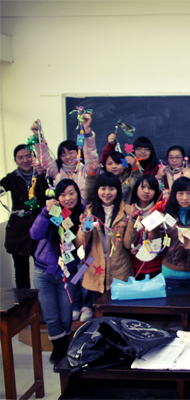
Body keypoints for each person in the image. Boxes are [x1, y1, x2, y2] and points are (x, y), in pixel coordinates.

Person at [29, 179, 83, 366]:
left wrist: (84, 227)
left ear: (78, 194)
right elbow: (34, 234)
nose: (68, 198)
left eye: (71, 193)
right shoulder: (53, 212)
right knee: (51, 316)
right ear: (57, 197)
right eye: (63, 194)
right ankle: (61, 355)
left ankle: (60, 350)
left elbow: (84, 246)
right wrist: (46, 212)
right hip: (44, 272)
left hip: (69, 273)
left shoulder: (83, 214)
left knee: (66, 316)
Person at [78, 172, 133, 319]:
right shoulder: (90, 210)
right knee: (101, 314)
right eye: (103, 188)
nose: (107, 193)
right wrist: (86, 228)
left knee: (119, 314)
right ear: (97, 190)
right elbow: (81, 243)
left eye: (111, 188)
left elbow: (128, 244)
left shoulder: (126, 211)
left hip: (119, 268)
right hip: (96, 268)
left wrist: (133, 221)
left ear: (118, 190)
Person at [1, 144, 48, 288]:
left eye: (28, 156)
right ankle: (24, 302)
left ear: (34, 157)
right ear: (15, 160)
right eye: (20, 157)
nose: (25, 160)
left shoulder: (42, 175)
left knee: (44, 271)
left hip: (39, 230)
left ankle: (43, 300)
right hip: (18, 233)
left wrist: (41, 176)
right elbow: (2, 186)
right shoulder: (12, 178)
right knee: (21, 273)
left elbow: (46, 197)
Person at [32, 114, 98, 204]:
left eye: (71, 153)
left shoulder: (86, 169)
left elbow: (90, 151)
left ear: (78, 152)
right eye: (63, 155)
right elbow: (45, 158)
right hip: (64, 211)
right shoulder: (57, 173)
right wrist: (38, 136)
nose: (68, 157)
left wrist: (87, 131)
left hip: (83, 210)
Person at [123, 175, 164, 279]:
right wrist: (131, 249)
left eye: (150, 188)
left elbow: (164, 242)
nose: (146, 191)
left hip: (157, 268)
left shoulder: (160, 212)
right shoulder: (127, 212)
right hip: (134, 269)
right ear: (136, 188)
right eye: (143, 187)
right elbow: (127, 243)